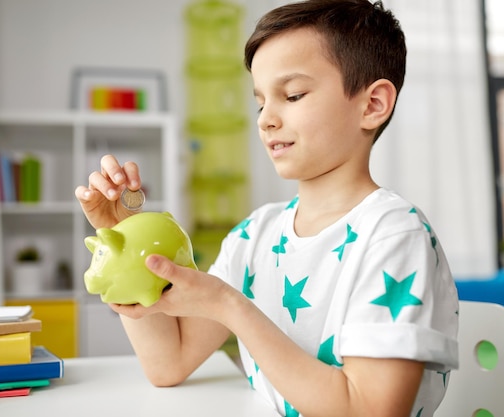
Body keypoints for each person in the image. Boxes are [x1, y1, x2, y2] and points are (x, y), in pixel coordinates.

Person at [75, 1, 459, 416]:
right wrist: (127, 248)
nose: (265, 119)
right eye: (260, 102)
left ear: (372, 105)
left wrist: (229, 305)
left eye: (292, 94)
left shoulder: (393, 236)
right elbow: (168, 364)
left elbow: (370, 410)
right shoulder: (255, 235)